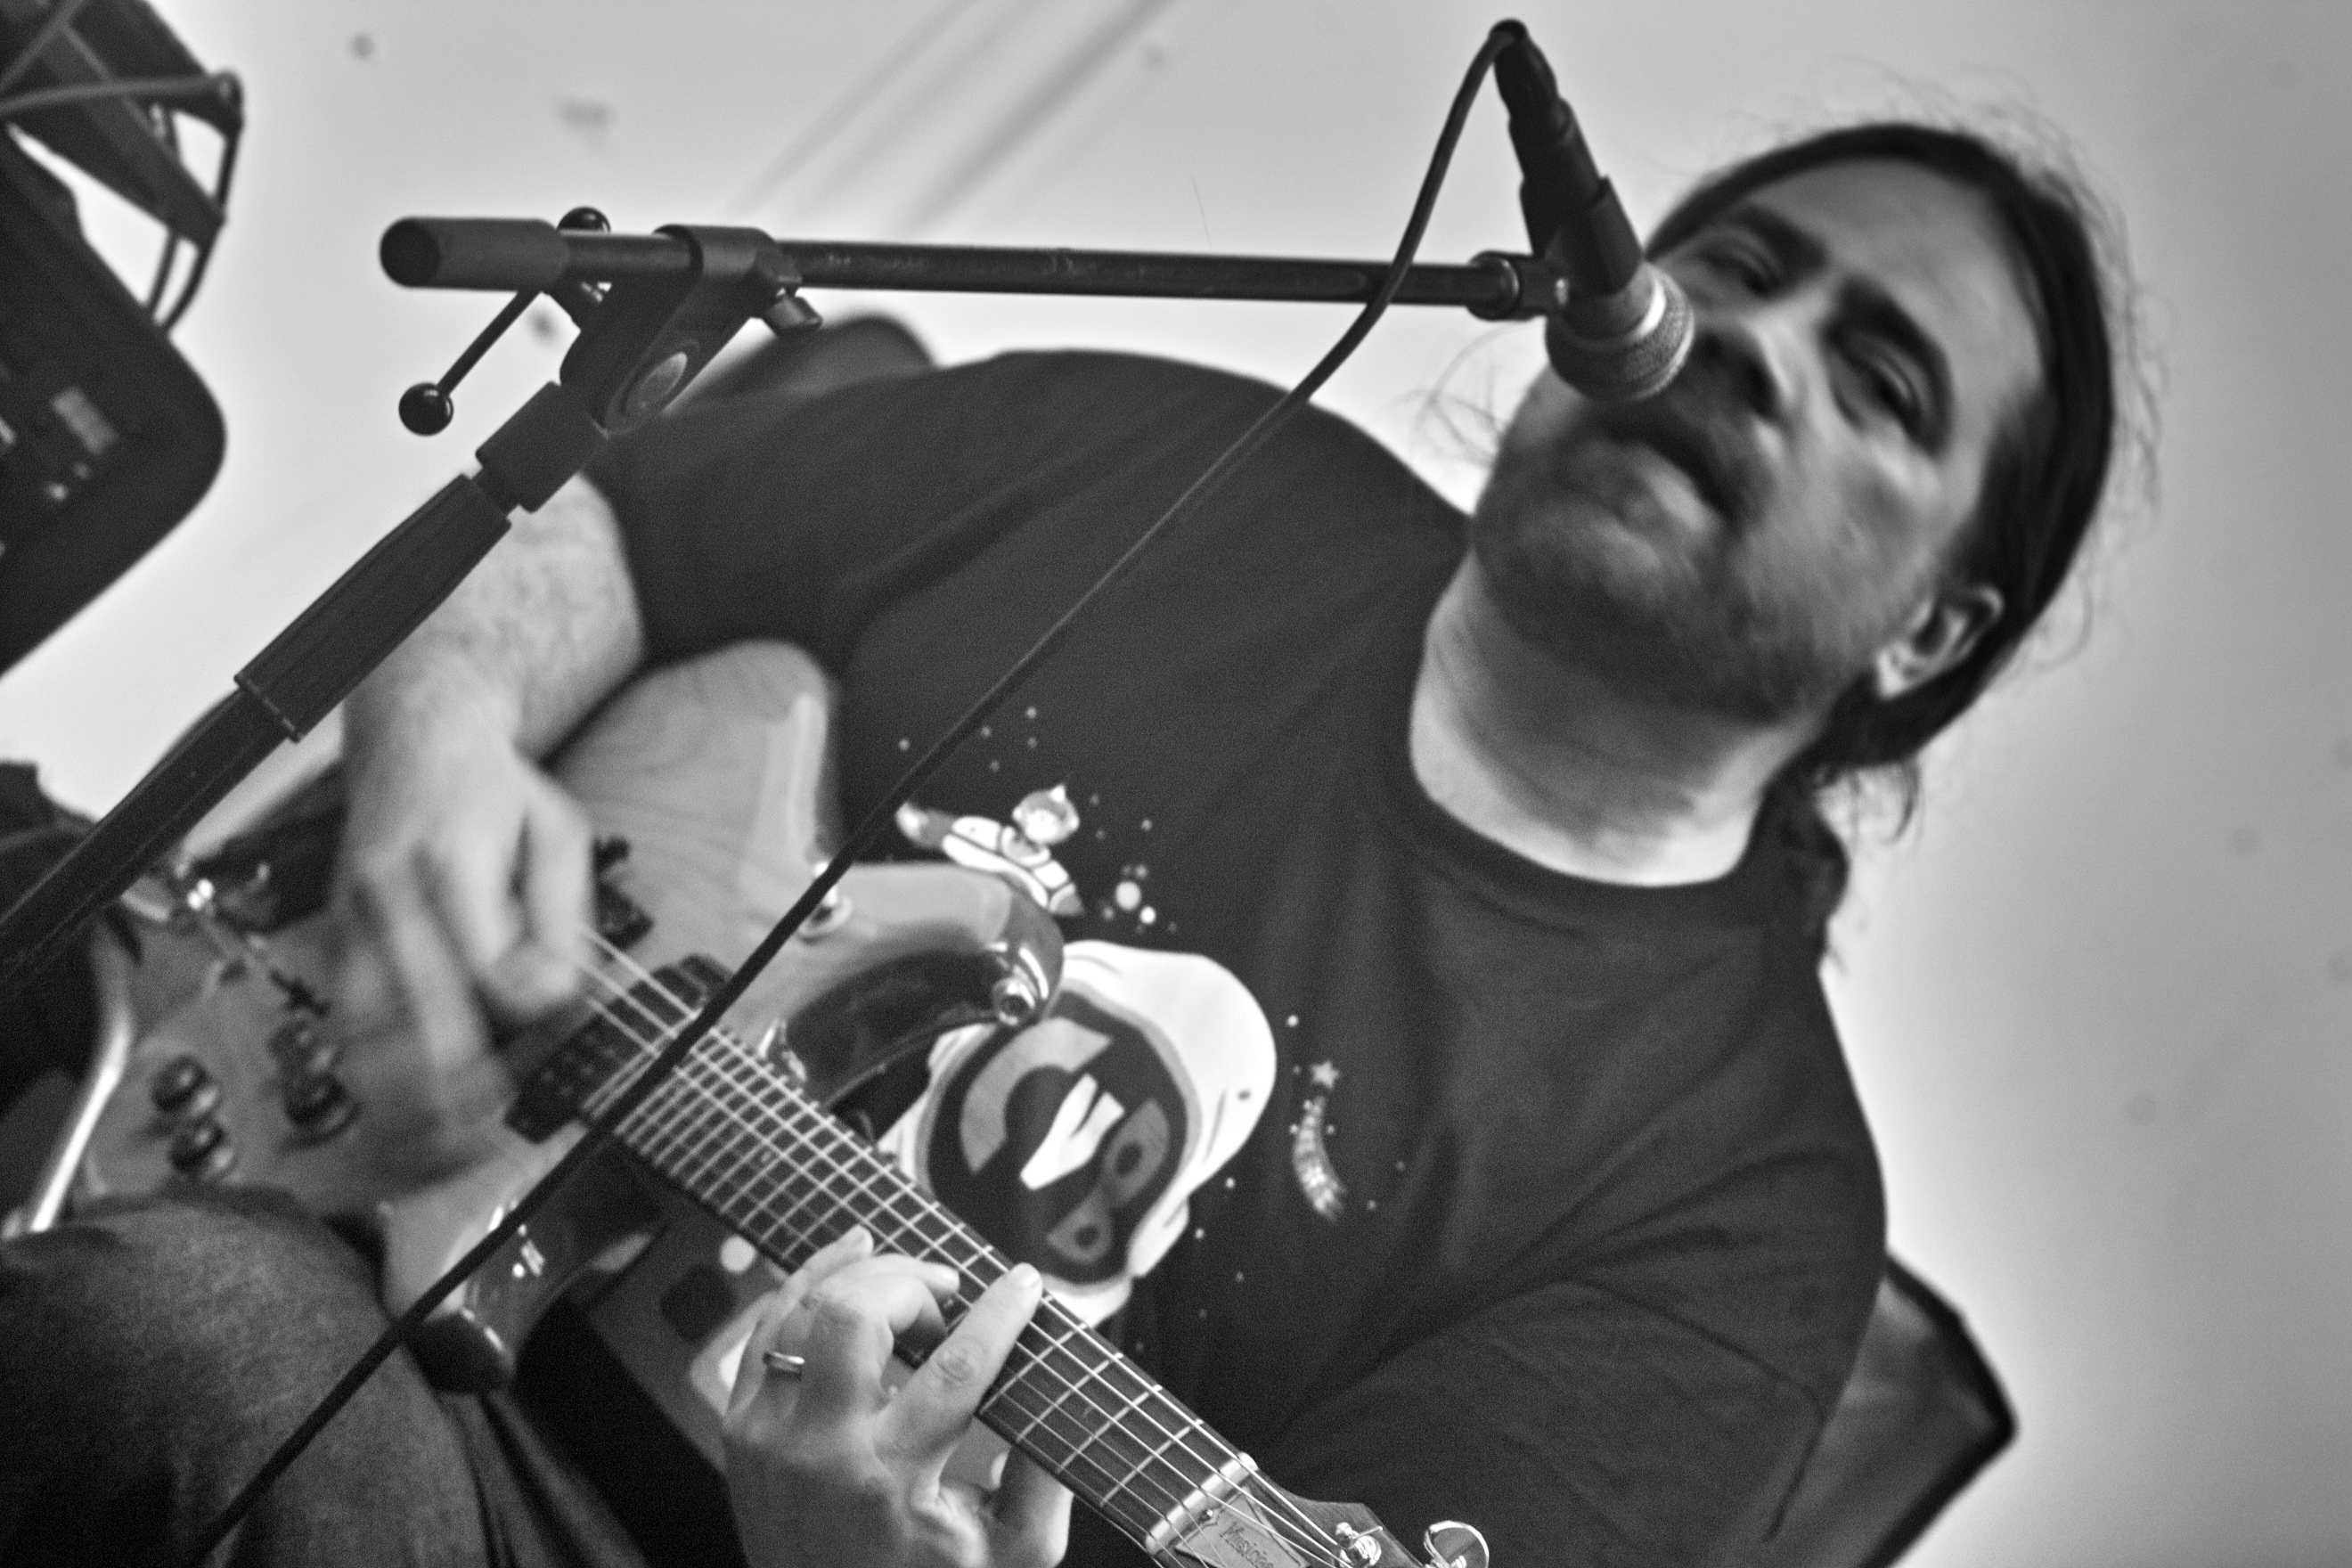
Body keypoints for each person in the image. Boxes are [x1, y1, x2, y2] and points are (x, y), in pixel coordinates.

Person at [0, 119, 2127, 1568]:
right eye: (1735, 268)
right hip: (337, 1147)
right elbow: (614, 516)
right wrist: (443, 747)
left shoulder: (1740, 1197)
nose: (1752, 347)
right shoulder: (1202, 471)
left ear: (1933, 630)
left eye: (1880, 382)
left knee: (197, 1359)